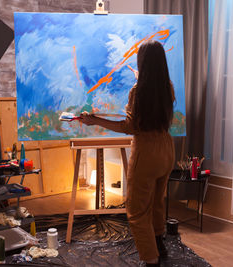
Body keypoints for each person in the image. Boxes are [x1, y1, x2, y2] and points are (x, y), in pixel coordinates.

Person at [80, 40, 176, 266]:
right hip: (166, 149)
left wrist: (94, 120)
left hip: (146, 152)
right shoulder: (168, 86)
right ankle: (158, 242)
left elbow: (129, 127)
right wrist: (140, 79)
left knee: (136, 211)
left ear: (142, 63)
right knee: (157, 202)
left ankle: (151, 261)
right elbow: (153, 94)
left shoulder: (137, 92)